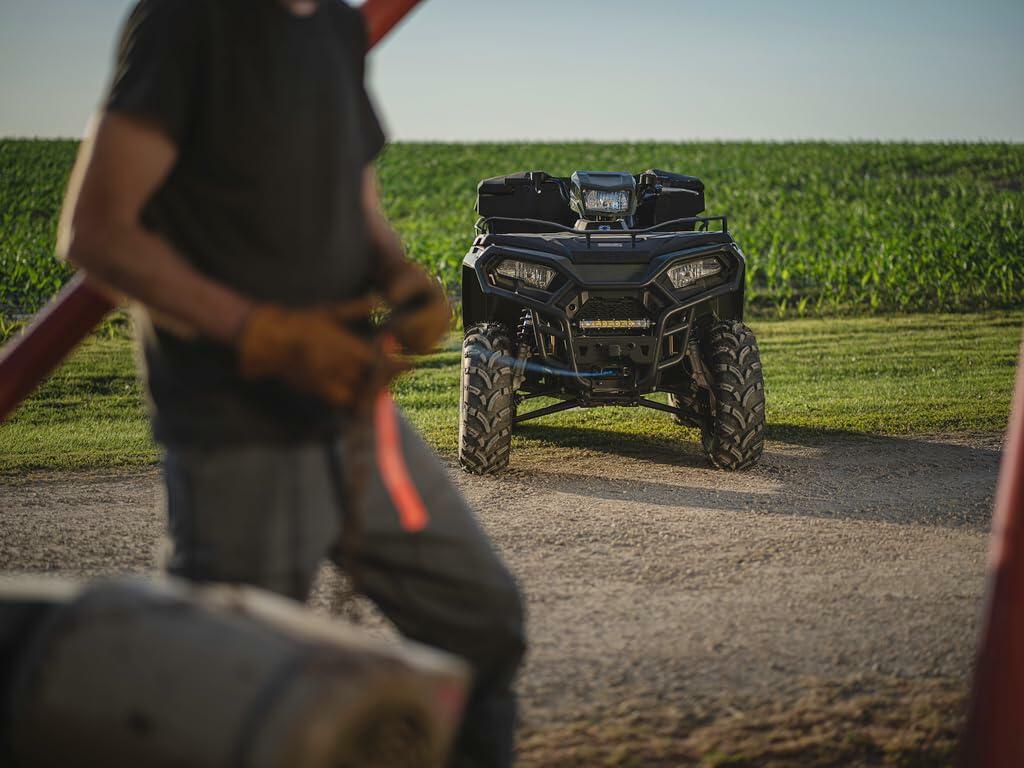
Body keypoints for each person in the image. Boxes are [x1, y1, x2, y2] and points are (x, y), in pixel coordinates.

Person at [56, 0, 526, 765]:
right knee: (229, 696)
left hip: (354, 411)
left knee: (482, 622)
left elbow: (355, 194)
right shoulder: (186, 21)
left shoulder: (336, 28)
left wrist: (398, 271)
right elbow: (97, 231)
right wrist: (261, 333)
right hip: (238, 431)